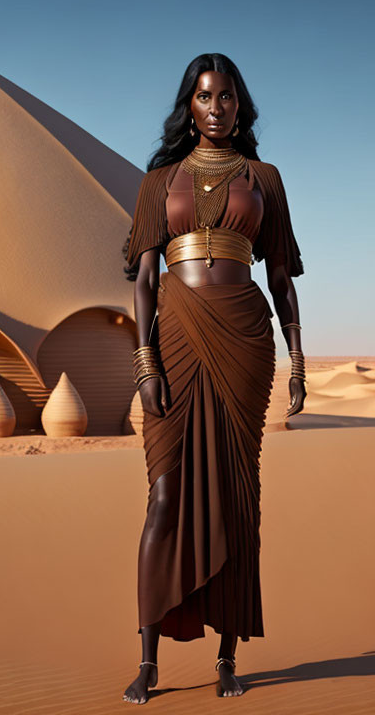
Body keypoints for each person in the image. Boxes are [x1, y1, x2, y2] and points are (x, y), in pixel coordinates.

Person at [120, 53, 306, 704]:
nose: (217, 107)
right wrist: (144, 362)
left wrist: (299, 359)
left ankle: (228, 654)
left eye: (227, 97)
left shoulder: (265, 179)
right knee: (164, 496)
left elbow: (279, 276)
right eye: (205, 97)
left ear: (239, 104)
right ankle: (147, 660)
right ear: (189, 106)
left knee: (236, 492)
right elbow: (144, 280)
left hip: (244, 343)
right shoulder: (158, 181)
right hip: (174, 338)